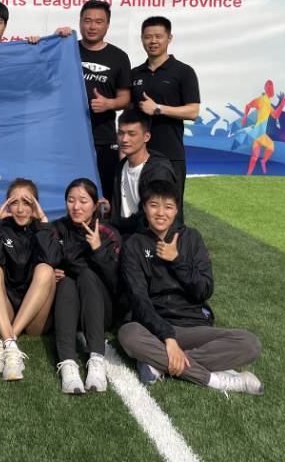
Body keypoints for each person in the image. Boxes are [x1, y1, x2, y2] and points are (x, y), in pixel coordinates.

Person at [117, 180, 264, 395]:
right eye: (154, 205)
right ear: (144, 208)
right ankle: (217, 380)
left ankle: (159, 363)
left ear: (177, 209)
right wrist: (168, 337)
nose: (161, 213)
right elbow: (139, 299)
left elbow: (204, 290)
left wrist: (177, 260)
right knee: (128, 334)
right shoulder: (134, 245)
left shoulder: (191, 238)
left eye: (168, 207)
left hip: (193, 325)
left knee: (250, 343)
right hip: (154, 328)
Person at [51, 178, 121, 394]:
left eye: (83, 201)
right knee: (66, 283)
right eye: (71, 200)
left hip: (101, 310)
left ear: (95, 204)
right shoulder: (58, 229)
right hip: (69, 308)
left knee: (88, 275)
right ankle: (68, 364)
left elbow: (117, 283)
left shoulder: (107, 232)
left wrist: (98, 249)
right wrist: (50, 271)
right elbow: (44, 261)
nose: (76, 207)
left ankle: (96, 358)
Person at [0, 179, 56, 382]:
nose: (21, 209)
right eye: (14, 203)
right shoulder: (1, 228)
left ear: (36, 204)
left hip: (35, 318)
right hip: (6, 313)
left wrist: (42, 220)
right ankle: (11, 344)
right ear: (7, 205)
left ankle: (7, 341)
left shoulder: (43, 228)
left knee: (45, 270)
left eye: (27, 202)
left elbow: (51, 259)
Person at [130, 16, 200, 202]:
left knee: (169, 210)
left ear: (169, 38)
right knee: (139, 208)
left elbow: (193, 111)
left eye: (158, 36)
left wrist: (158, 109)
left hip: (170, 155)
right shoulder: (135, 73)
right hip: (139, 154)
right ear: (142, 39)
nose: (153, 41)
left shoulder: (184, 71)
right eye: (148, 37)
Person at [72, 0, 132, 202]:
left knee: (102, 195)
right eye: (87, 20)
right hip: (69, 136)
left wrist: (109, 104)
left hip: (103, 138)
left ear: (107, 25)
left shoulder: (119, 57)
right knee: (70, 191)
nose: (92, 26)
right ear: (80, 22)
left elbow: (125, 98)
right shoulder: (67, 50)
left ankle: (103, 224)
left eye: (98, 22)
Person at [109, 110, 176, 238]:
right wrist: (110, 210)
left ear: (146, 137)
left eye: (132, 134)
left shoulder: (159, 172)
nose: (124, 139)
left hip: (147, 240)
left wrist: (113, 223)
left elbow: (156, 217)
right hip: (123, 234)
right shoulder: (121, 166)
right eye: (121, 133)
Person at [241, 80, 285, 175]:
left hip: (259, 132)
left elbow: (275, 115)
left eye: (272, 87)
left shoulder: (268, 103)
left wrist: (283, 104)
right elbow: (248, 106)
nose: (272, 90)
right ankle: (262, 162)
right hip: (258, 131)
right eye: (270, 87)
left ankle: (249, 173)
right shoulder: (260, 100)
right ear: (266, 89)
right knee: (270, 146)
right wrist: (244, 116)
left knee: (255, 155)